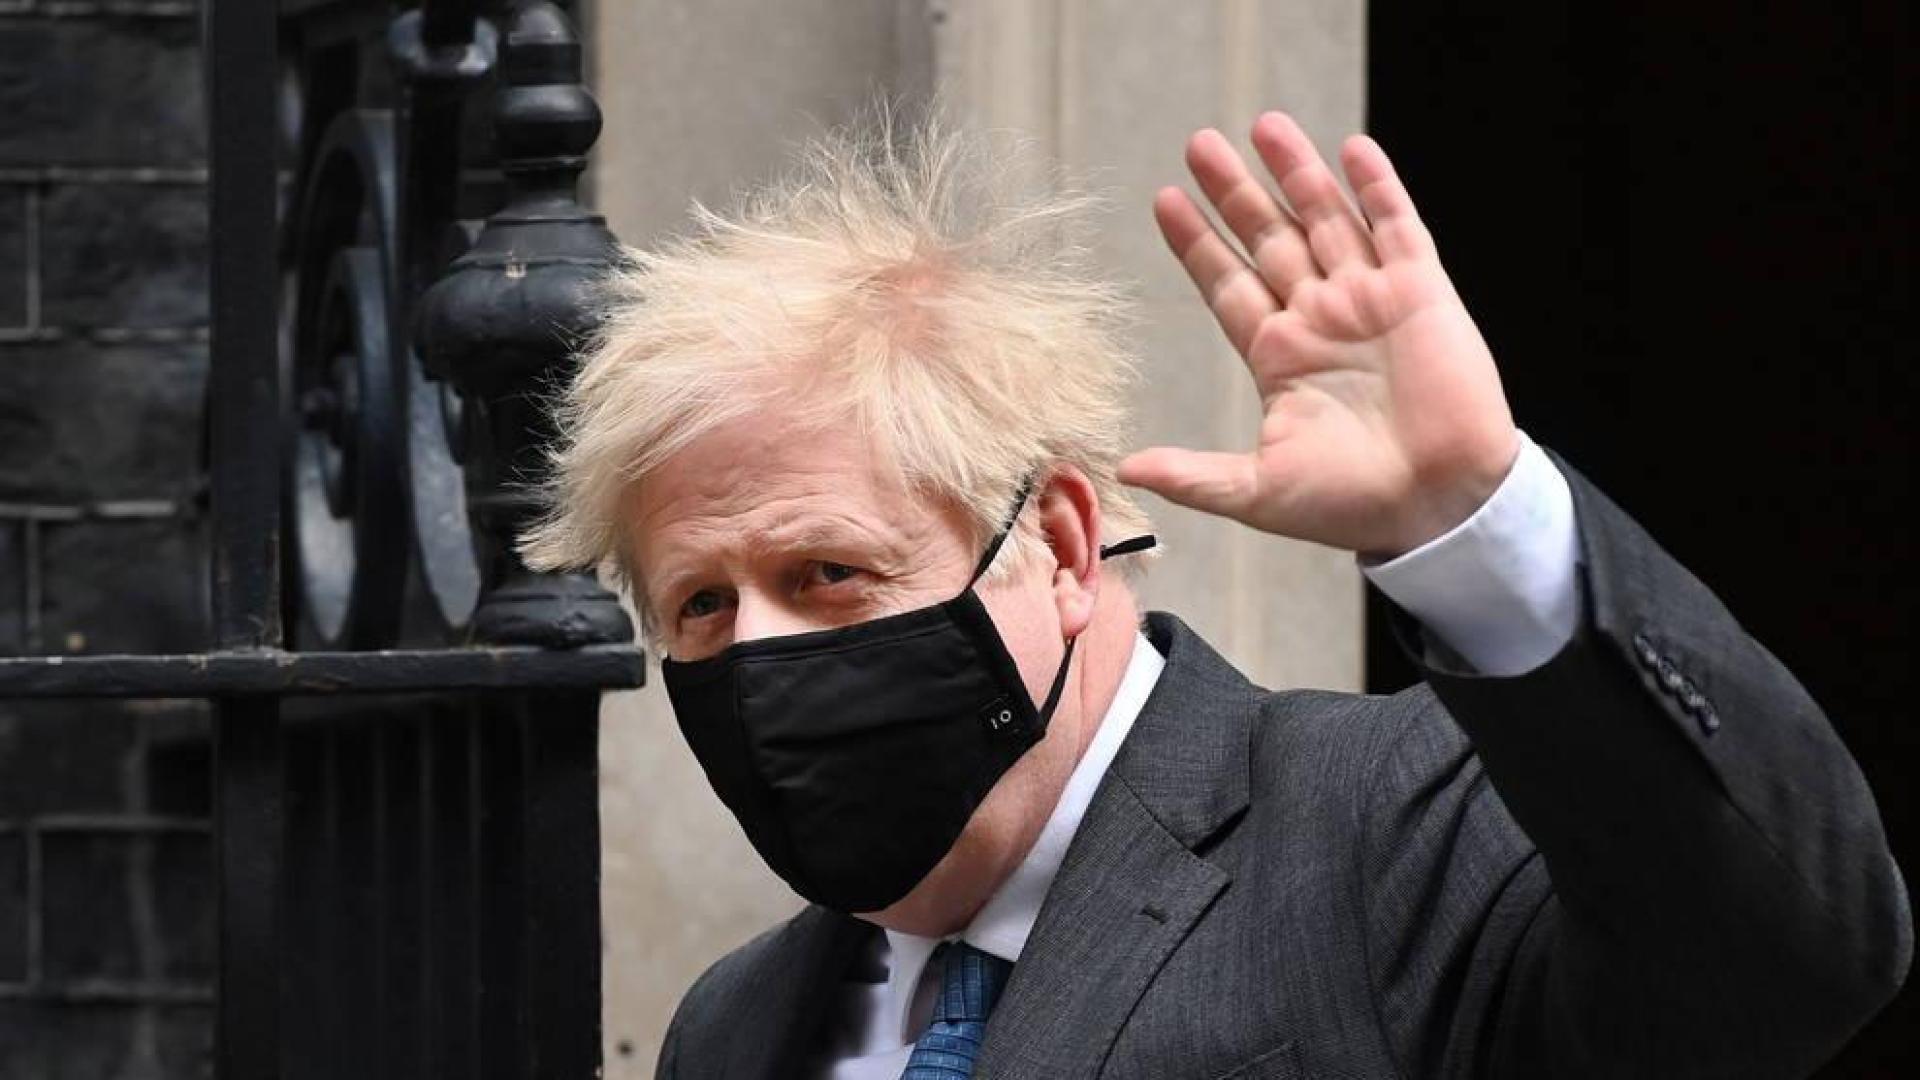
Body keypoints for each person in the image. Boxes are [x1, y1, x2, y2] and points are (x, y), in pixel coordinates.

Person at [522, 109, 1911, 1079]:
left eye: (827, 572)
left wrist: (1471, 519)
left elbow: (1781, 963)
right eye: (700, 606)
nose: (759, 653)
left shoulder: (1386, 830)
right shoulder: (739, 1026)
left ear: (1062, 546)